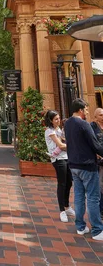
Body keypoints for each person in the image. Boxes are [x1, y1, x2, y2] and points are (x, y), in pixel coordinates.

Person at [64, 98, 103, 240]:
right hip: (87, 166)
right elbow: (96, 145)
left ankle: (80, 227)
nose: (87, 112)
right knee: (93, 198)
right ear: (80, 110)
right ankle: (97, 230)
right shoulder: (84, 124)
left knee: (79, 197)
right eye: (86, 109)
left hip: (74, 165)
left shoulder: (67, 123)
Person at [44, 110, 74, 222]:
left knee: (69, 182)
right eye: (56, 119)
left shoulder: (59, 130)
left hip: (66, 157)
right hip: (58, 159)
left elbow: (64, 142)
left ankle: (67, 206)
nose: (58, 120)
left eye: (59, 118)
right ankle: (62, 210)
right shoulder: (49, 131)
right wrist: (72, 145)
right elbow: (61, 145)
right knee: (62, 183)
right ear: (50, 120)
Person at [91, 107, 103, 218]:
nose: (102, 117)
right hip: (99, 162)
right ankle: (100, 210)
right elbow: (91, 143)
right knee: (100, 186)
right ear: (95, 117)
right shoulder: (93, 127)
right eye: (100, 115)